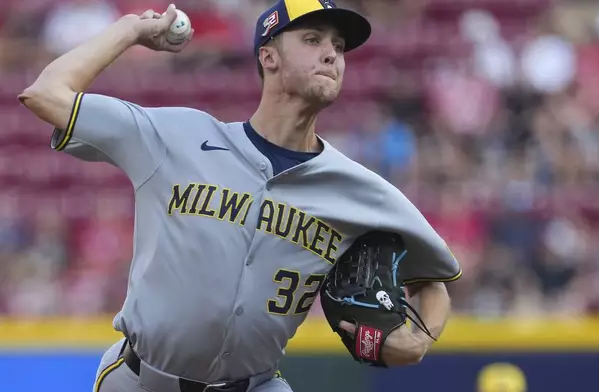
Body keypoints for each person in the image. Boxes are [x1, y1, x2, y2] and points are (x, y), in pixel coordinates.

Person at [18, 1, 461, 391]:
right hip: (138, 381)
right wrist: (132, 29)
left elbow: (433, 278)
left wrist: (420, 340)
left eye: (339, 46)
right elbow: (46, 94)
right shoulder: (176, 137)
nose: (332, 53)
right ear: (268, 56)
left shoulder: (362, 191)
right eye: (312, 39)